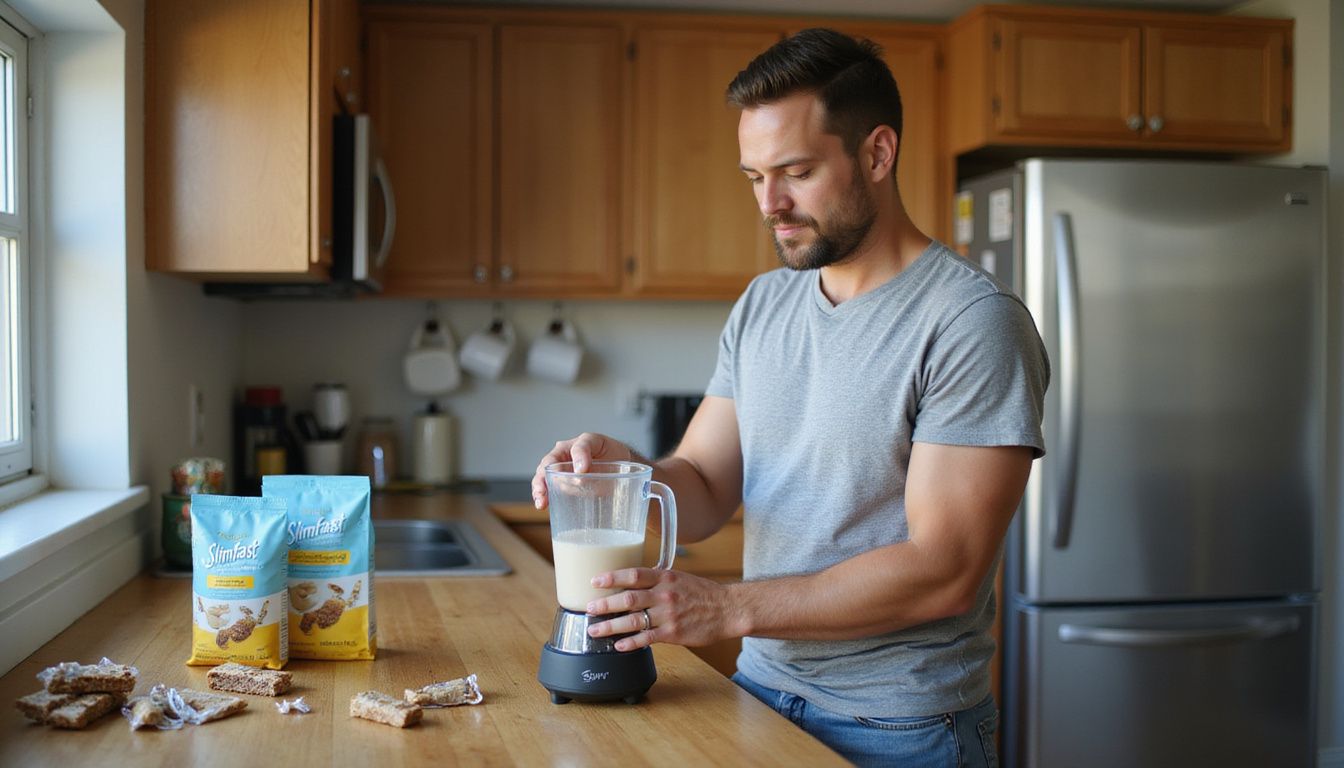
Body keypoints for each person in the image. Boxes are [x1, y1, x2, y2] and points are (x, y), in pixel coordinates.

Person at [531, 28, 1049, 768]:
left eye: (796, 172)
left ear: (877, 153)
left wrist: (729, 608)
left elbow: (945, 571)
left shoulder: (971, 324)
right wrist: (629, 472)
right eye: (753, 177)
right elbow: (707, 487)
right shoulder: (765, 304)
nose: (769, 203)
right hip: (762, 697)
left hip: (902, 727)